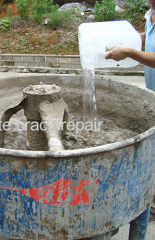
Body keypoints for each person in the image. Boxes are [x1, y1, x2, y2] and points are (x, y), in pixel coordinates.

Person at [106, 0, 155, 238]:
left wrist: (129, 52)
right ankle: (148, 198)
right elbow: (149, 37)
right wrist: (135, 40)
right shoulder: (150, 14)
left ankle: (146, 199)